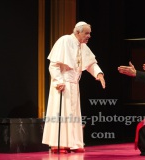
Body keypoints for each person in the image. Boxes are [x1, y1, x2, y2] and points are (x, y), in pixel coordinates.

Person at [42, 21, 105, 154]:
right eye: (86, 33)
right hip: (63, 84)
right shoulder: (64, 40)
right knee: (62, 114)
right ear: (77, 32)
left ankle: (74, 143)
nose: (89, 36)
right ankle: (59, 144)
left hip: (74, 85)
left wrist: (99, 74)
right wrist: (58, 81)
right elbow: (53, 65)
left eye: (90, 33)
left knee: (74, 114)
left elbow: (90, 63)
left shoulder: (82, 46)